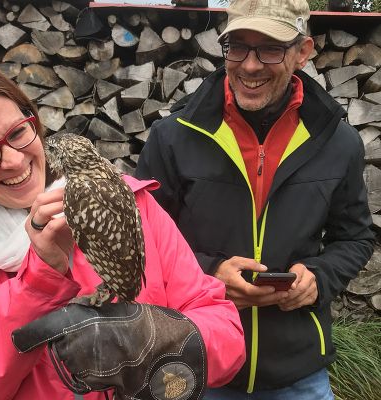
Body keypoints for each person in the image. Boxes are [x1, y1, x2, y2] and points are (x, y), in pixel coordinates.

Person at [0, 61, 245, 400]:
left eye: (17, 133)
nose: (13, 160)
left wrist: (158, 338)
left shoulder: (128, 202)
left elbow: (227, 339)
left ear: (34, 123)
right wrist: (37, 280)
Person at [135, 0, 375, 399]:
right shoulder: (173, 136)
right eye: (239, 46)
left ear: (303, 52)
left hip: (298, 374)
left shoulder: (338, 142)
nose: (250, 65)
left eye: (270, 48)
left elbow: (355, 238)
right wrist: (208, 275)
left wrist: (317, 278)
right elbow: (142, 242)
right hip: (195, 363)